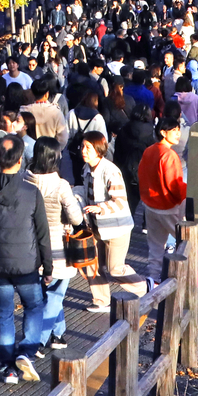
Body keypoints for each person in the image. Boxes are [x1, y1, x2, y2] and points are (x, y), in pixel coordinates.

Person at [0, 134, 51, 384]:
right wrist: (48, 265)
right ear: (20, 158)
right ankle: (26, 351)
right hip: (27, 263)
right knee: (34, 306)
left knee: (3, 312)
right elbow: (42, 233)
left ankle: (8, 367)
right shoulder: (31, 192)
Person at [27, 138, 83, 352]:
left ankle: (58, 334)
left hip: (32, 245)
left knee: (46, 292)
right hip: (58, 246)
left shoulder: (26, 179)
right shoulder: (61, 186)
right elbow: (76, 218)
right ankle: (38, 341)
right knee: (55, 294)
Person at [80, 131, 140, 310]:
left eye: (88, 147)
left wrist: (100, 208)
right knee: (92, 262)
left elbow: (120, 201)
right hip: (96, 227)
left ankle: (145, 288)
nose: (84, 151)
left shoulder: (110, 171)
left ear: (99, 150)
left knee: (115, 269)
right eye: (83, 146)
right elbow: (85, 192)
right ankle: (101, 301)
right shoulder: (86, 169)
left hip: (116, 228)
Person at [138, 117, 186, 284]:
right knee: (187, 242)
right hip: (168, 206)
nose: (178, 133)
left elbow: (141, 175)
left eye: (178, 129)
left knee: (155, 246)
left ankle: (153, 279)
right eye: (174, 130)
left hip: (150, 205)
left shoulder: (149, 150)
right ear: (163, 133)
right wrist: (184, 196)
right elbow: (175, 185)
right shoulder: (169, 155)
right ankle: (188, 281)